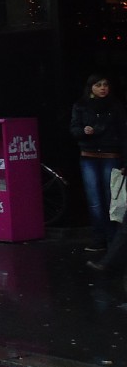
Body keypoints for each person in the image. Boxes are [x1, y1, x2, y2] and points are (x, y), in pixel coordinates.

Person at [69, 74, 126, 252]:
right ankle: (99, 238)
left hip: (111, 154)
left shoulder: (116, 106)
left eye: (106, 85)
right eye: (98, 85)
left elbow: (123, 132)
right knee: (94, 199)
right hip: (89, 155)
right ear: (91, 87)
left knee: (112, 199)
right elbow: (74, 129)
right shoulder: (81, 106)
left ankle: (112, 240)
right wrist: (84, 131)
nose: (103, 88)